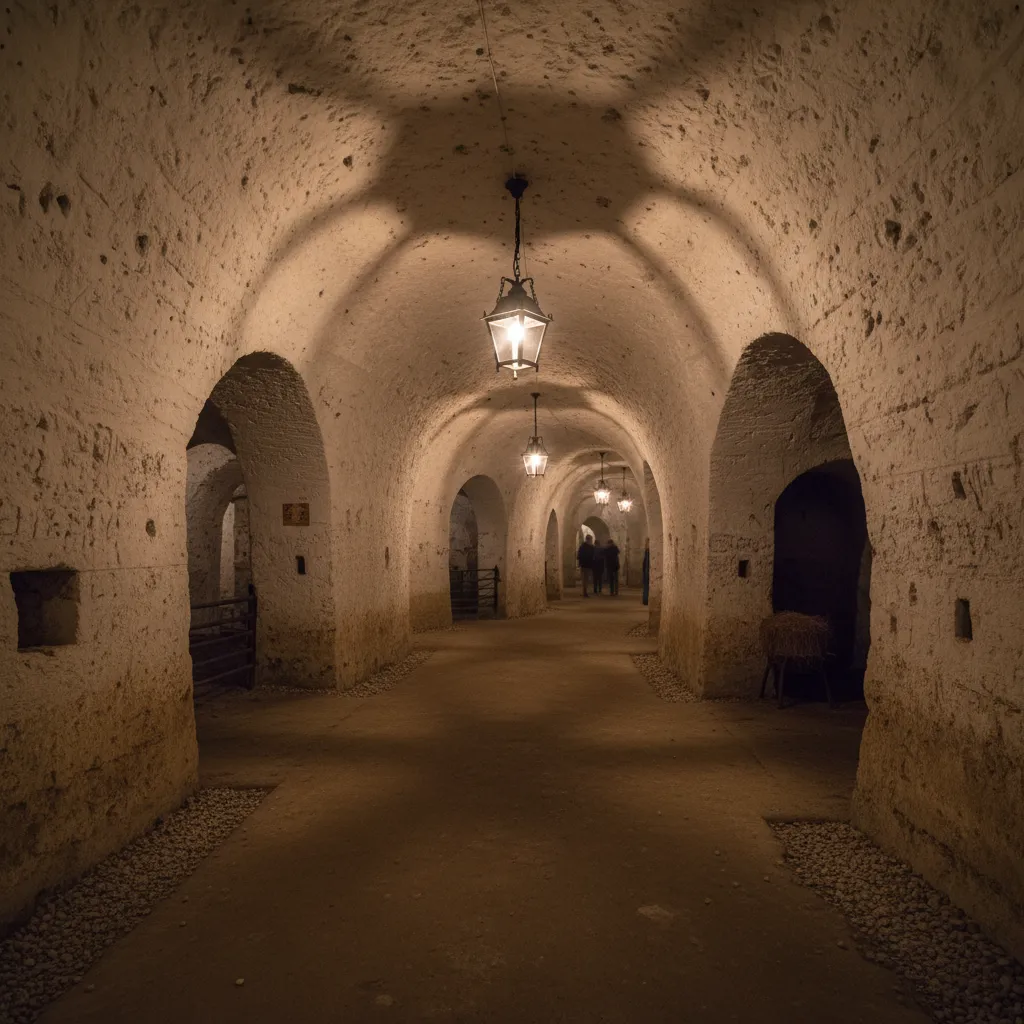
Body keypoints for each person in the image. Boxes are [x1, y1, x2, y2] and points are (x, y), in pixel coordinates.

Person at [641, 537, 650, 606]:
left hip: (646, 570)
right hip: (647, 570)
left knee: (646, 585)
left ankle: (645, 599)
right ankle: (645, 599)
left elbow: (645, 562)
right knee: (646, 585)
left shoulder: (647, 551)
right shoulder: (648, 551)